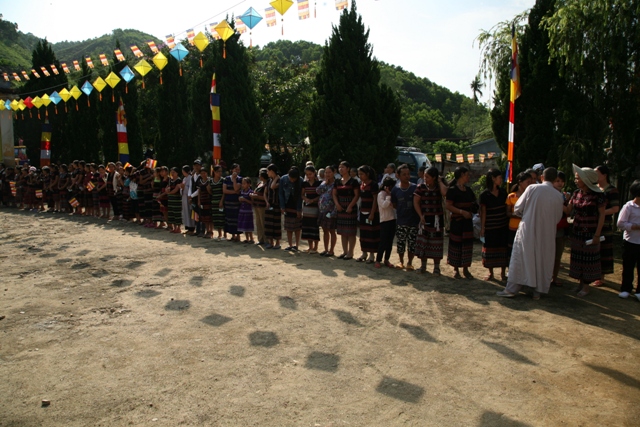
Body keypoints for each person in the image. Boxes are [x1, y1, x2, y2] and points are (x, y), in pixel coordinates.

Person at [497, 168, 564, 299]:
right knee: (542, 259)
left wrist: (528, 214)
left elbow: (518, 208)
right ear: (555, 179)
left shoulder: (532, 188)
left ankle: (511, 289)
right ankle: (537, 291)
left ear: (542, 177)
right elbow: (557, 218)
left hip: (528, 229)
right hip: (547, 233)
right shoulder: (558, 196)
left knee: (522, 258)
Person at [565, 164, 606, 297]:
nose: (576, 180)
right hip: (577, 231)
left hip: (591, 231)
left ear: (586, 180)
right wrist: (557, 199)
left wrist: (597, 234)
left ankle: (586, 287)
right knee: (578, 258)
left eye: (578, 178)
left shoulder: (598, 195)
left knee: (588, 259)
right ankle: (580, 284)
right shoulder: (576, 193)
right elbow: (568, 209)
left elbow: (602, 215)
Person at [413, 166, 448, 275]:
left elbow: (445, 193)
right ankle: (423, 266)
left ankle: (436, 268)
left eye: (427, 177)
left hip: (437, 220)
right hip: (424, 219)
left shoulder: (439, 187)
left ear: (434, 177)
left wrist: (440, 181)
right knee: (423, 242)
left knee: (436, 244)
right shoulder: (420, 187)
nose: (425, 179)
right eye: (424, 176)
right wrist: (420, 216)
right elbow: (416, 202)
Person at [445, 166, 477, 279]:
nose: (468, 177)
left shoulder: (468, 190)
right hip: (457, 222)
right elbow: (448, 205)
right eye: (467, 175)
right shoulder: (452, 190)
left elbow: (474, 203)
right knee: (456, 244)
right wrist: (461, 212)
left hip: (467, 222)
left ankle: (465, 268)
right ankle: (456, 269)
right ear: (462, 175)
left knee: (467, 245)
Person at [479, 168, 509, 281]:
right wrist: (483, 228)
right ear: (493, 178)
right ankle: (491, 273)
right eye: (499, 177)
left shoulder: (503, 193)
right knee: (490, 249)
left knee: (503, 249)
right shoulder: (484, 195)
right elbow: (483, 212)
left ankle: (502, 273)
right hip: (490, 227)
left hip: (502, 226)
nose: (501, 180)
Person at [593, 165, 619, 286]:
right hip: (593, 223)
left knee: (603, 250)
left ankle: (601, 277)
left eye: (597, 173)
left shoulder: (612, 190)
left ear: (604, 175)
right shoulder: (594, 188)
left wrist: (601, 213)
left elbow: (615, 208)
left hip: (605, 224)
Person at [392, 164, 419, 270]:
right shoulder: (395, 189)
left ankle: (410, 263)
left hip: (413, 221)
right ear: (398, 175)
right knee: (401, 242)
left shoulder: (415, 188)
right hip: (401, 221)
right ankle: (401, 261)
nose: (407, 176)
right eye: (404, 174)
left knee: (412, 243)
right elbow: (394, 204)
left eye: (408, 174)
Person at [617, 180, 640, 300]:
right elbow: (620, 223)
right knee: (628, 266)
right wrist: (634, 226)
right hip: (630, 241)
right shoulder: (629, 206)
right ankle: (626, 288)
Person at [333, 161, 360, 260]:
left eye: (343, 167)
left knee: (351, 232)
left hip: (350, 208)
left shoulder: (354, 182)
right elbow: (334, 194)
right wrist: (337, 204)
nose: (340, 169)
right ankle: (344, 251)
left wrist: (350, 206)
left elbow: (357, 195)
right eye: (339, 167)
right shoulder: (337, 181)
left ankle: (350, 252)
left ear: (348, 169)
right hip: (340, 207)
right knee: (343, 231)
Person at [506, 171, 532, 257]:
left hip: (527, 227)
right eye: (528, 182)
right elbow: (508, 213)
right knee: (512, 250)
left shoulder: (531, 196)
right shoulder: (511, 196)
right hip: (514, 227)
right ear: (520, 182)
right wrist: (518, 215)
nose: (530, 184)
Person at [357, 165, 379, 263]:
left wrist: (372, 213)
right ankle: (364, 253)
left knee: (371, 234)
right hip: (362, 212)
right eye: (359, 174)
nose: (360, 176)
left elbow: (375, 200)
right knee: (363, 234)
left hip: (371, 213)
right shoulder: (361, 184)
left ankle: (371, 255)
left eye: (362, 174)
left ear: (368, 174)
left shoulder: (373, 184)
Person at [551, 171, 570, 287]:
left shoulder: (564, 196)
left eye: (562, 181)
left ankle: (554, 277)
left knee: (557, 256)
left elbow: (568, 211)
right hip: (547, 229)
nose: (560, 183)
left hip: (560, 229)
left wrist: (566, 201)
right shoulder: (547, 193)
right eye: (557, 181)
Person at [280, 166, 303, 251]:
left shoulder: (300, 180)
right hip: (287, 204)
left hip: (296, 205)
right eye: (291, 178)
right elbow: (281, 193)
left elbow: (300, 196)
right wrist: (282, 206)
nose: (292, 180)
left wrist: (299, 209)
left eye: (294, 179)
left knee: (297, 227)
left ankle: (296, 245)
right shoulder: (283, 179)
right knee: (288, 227)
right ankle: (290, 244)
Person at [376, 177, 397, 268]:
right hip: (384, 220)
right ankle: (378, 260)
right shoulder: (381, 194)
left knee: (390, 242)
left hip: (392, 220)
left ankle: (386, 259)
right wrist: (388, 196)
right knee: (383, 241)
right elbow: (384, 205)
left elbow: (394, 206)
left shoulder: (392, 194)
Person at [317, 165, 338, 256]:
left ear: (334, 173)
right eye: (326, 172)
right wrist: (325, 183)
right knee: (325, 230)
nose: (327, 174)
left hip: (331, 210)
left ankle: (331, 250)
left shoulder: (336, 184)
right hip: (322, 210)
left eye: (329, 172)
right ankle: (326, 249)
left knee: (331, 231)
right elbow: (318, 191)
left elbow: (337, 198)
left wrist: (334, 211)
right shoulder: (323, 182)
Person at [301, 166, 320, 253]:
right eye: (307, 174)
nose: (309, 176)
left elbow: (320, 195)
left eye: (310, 174)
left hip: (315, 207)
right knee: (307, 226)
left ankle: (315, 247)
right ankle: (310, 246)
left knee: (314, 226)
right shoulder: (304, 183)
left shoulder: (319, 183)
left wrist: (313, 200)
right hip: (307, 208)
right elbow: (302, 194)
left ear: (314, 173)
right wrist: (306, 199)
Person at [264, 164, 282, 249]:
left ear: (271, 171)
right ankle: (270, 242)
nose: (267, 173)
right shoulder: (268, 181)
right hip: (269, 204)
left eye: (268, 171)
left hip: (277, 205)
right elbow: (265, 192)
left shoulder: (279, 180)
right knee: (269, 224)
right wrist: (267, 202)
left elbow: (273, 186)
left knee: (276, 224)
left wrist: (276, 177)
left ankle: (277, 242)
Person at [223, 163, 242, 242]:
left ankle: (238, 235)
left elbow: (237, 188)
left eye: (238, 169)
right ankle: (233, 235)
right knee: (229, 218)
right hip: (228, 202)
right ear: (232, 170)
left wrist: (234, 180)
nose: (237, 171)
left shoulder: (240, 179)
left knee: (236, 218)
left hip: (236, 203)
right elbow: (224, 190)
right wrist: (234, 192)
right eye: (236, 169)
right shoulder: (226, 179)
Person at [251, 169, 269, 246]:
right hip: (256, 206)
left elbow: (266, 197)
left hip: (262, 206)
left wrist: (256, 196)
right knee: (258, 223)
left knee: (263, 223)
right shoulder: (259, 183)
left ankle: (266, 240)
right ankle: (260, 239)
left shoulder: (267, 184)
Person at [209, 165, 225, 241]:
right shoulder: (211, 181)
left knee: (222, 218)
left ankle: (224, 234)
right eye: (218, 171)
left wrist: (221, 201)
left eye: (221, 171)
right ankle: (219, 234)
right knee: (216, 218)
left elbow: (224, 192)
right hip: (214, 201)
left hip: (221, 201)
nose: (220, 173)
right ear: (214, 172)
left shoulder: (223, 180)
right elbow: (210, 190)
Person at [238, 177, 254, 243]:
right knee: (244, 225)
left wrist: (245, 200)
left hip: (248, 211)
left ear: (249, 184)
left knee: (248, 225)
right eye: (242, 183)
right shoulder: (242, 191)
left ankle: (251, 238)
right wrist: (240, 199)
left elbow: (252, 202)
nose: (243, 185)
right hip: (242, 210)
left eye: (244, 183)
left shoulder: (251, 192)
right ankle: (247, 238)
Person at [166, 167, 183, 234]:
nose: (172, 173)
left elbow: (176, 189)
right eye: (171, 172)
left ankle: (178, 228)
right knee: (171, 213)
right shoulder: (170, 180)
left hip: (176, 199)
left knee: (177, 213)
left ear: (177, 173)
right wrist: (167, 190)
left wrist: (169, 192)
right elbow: (167, 188)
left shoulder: (179, 180)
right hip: (170, 199)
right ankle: (174, 227)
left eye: (174, 172)